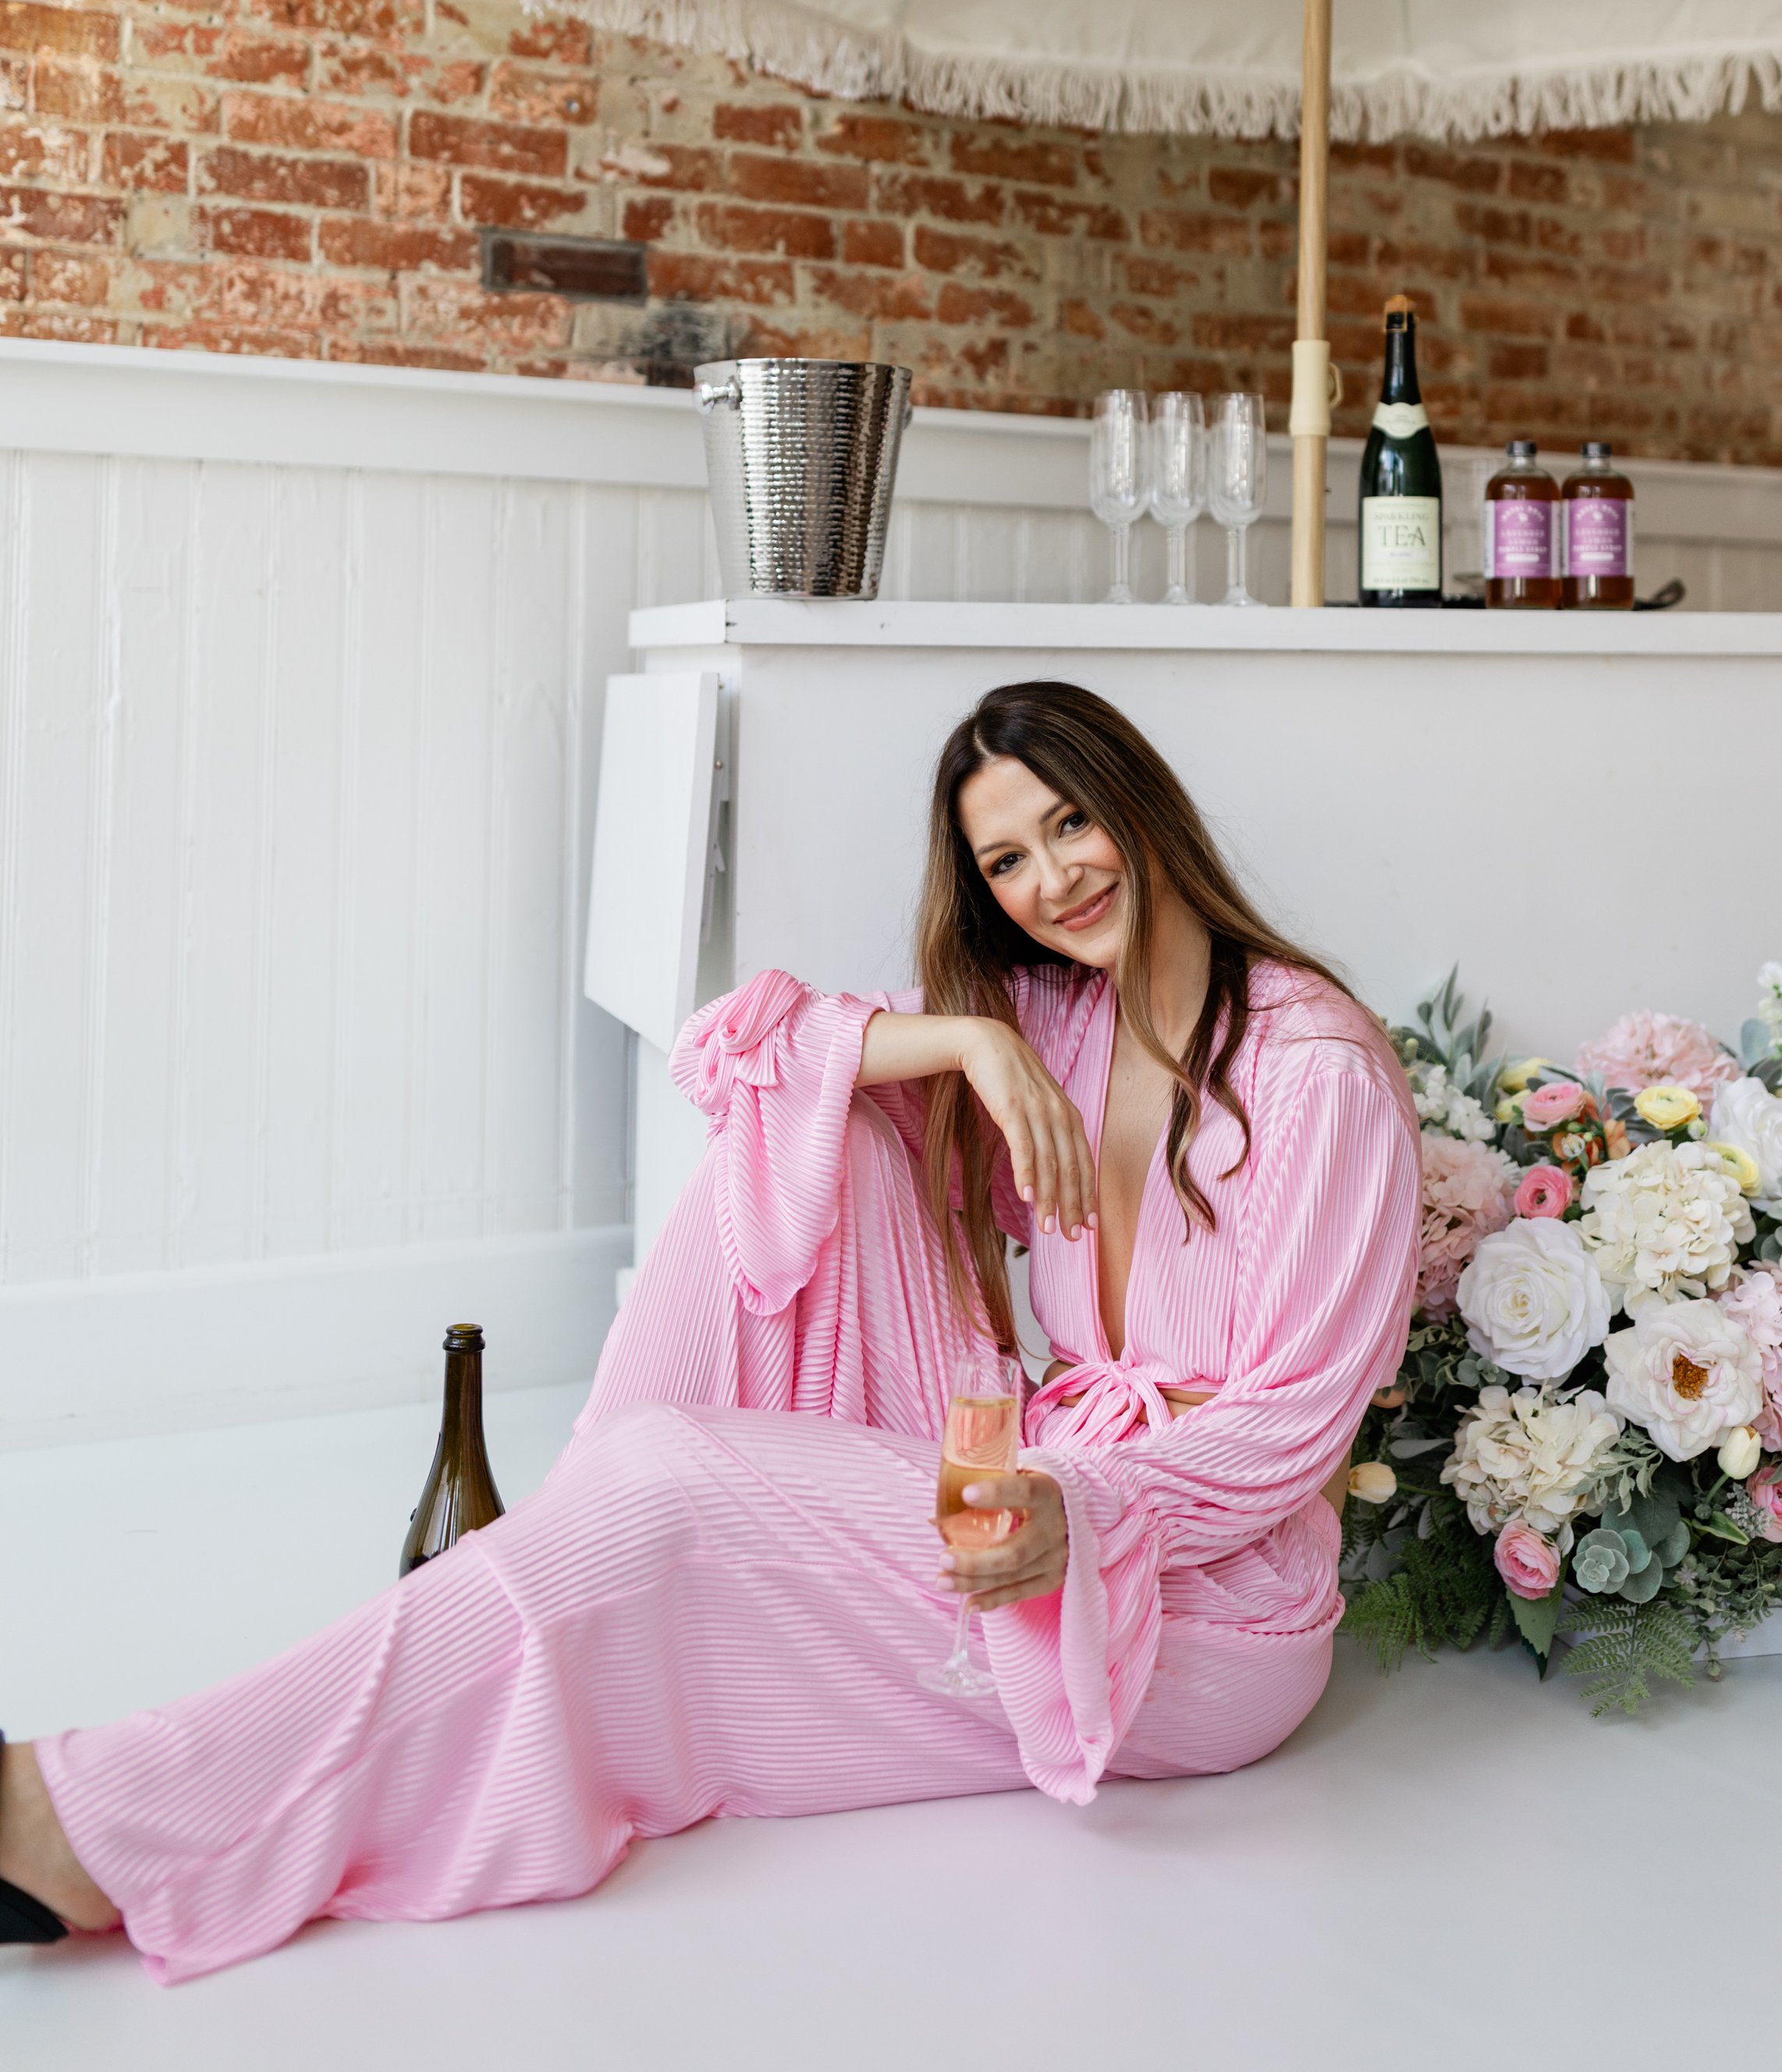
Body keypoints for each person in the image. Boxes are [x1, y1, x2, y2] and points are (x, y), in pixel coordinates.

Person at [0, 679, 1418, 1985]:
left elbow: (1288, 1430)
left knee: (665, 1496)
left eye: (1070, 823)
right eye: (1006, 860)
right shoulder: (1056, 1022)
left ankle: (106, 1808)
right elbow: (729, 1053)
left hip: (1202, 1601)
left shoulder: (1315, 1073)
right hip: (1047, 1476)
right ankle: (513, 1592)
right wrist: (971, 1043)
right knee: (837, 1134)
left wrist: (1078, 1499)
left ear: (1139, 805)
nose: (1052, 879)